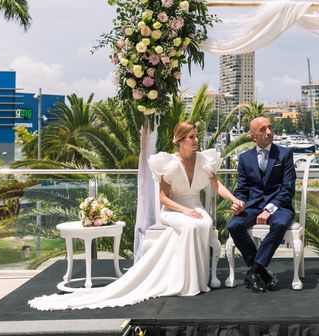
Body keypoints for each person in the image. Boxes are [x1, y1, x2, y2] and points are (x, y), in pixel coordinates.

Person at [29, 121, 242, 310]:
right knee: (191, 226)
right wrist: (184, 210)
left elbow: (216, 185)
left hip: (196, 207)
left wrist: (233, 199)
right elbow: (162, 198)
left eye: (196, 136)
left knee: (203, 224)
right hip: (173, 210)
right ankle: (186, 283)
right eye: (191, 137)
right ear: (180, 140)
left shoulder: (205, 160)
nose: (196, 140)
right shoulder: (169, 163)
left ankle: (199, 279)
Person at [227, 116, 296, 293]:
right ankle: (261, 272)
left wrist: (268, 209)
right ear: (253, 136)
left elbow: (288, 188)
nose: (269, 132)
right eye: (263, 129)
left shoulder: (284, 154)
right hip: (253, 205)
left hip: (280, 206)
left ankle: (254, 271)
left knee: (280, 224)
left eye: (270, 128)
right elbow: (242, 189)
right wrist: (239, 203)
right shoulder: (244, 158)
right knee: (234, 225)